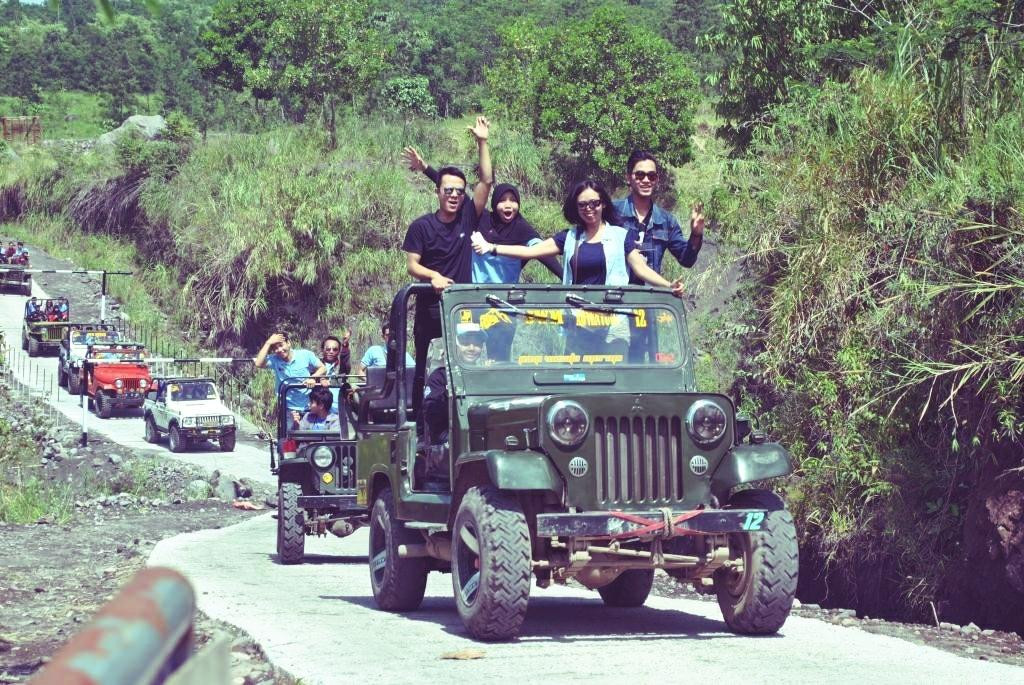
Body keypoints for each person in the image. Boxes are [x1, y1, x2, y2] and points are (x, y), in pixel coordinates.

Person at [472, 179, 684, 357]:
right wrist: (492, 248)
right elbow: (531, 252)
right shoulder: (570, 237)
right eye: (583, 205)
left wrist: (668, 285)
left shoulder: (621, 236)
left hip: (614, 325)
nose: (589, 209)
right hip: (578, 325)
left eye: (594, 203)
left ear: (603, 205)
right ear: (576, 208)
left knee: (612, 385)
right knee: (578, 383)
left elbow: (640, 269)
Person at [402, 117, 493, 430]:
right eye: (448, 190)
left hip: (462, 311)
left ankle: (465, 425)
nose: (454, 195)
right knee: (423, 370)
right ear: (437, 192)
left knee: (466, 365)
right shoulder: (421, 226)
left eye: (459, 191)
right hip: (430, 309)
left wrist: (482, 141)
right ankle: (420, 427)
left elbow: (487, 183)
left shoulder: (467, 216)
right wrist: (433, 277)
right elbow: (412, 265)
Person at [254, 332, 326, 415]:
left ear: (288, 343)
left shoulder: (305, 354)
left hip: (308, 407)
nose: (279, 350)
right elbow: (258, 363)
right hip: (287, 409)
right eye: (275, 348)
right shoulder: (274, 359)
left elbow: (323, 368)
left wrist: (313, 378)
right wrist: (268, 343)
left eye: (281, 345)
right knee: (289, 427)